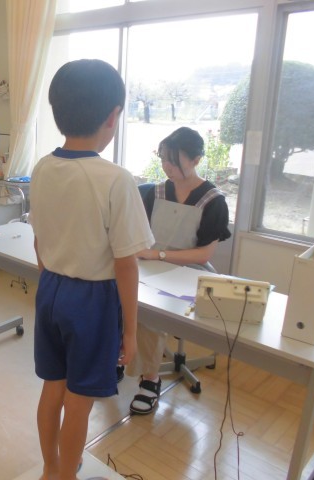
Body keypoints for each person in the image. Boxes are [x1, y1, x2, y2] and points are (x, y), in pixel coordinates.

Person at [30, 59, 155, 480]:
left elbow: (39, 239)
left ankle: (51, 469)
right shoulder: (115, 179)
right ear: (112, 116)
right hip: (93, 300)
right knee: (79, 401)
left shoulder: (42, 167)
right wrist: (131, 331)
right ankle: (67, 475)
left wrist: (52, 280)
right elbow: (126, 264)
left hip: (50, 287)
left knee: (52, 388)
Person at [127, 126, 231, 415]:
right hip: (152, 265)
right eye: (163, 159)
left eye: (173, 161)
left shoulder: (213, 201)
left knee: (148, 314)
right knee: (121, 296)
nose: (167, 166)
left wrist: (158, 254)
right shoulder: (156, 192)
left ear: (196, 160)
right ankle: (124, 357)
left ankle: (150, 379)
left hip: (190, 270)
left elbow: (204, 253)